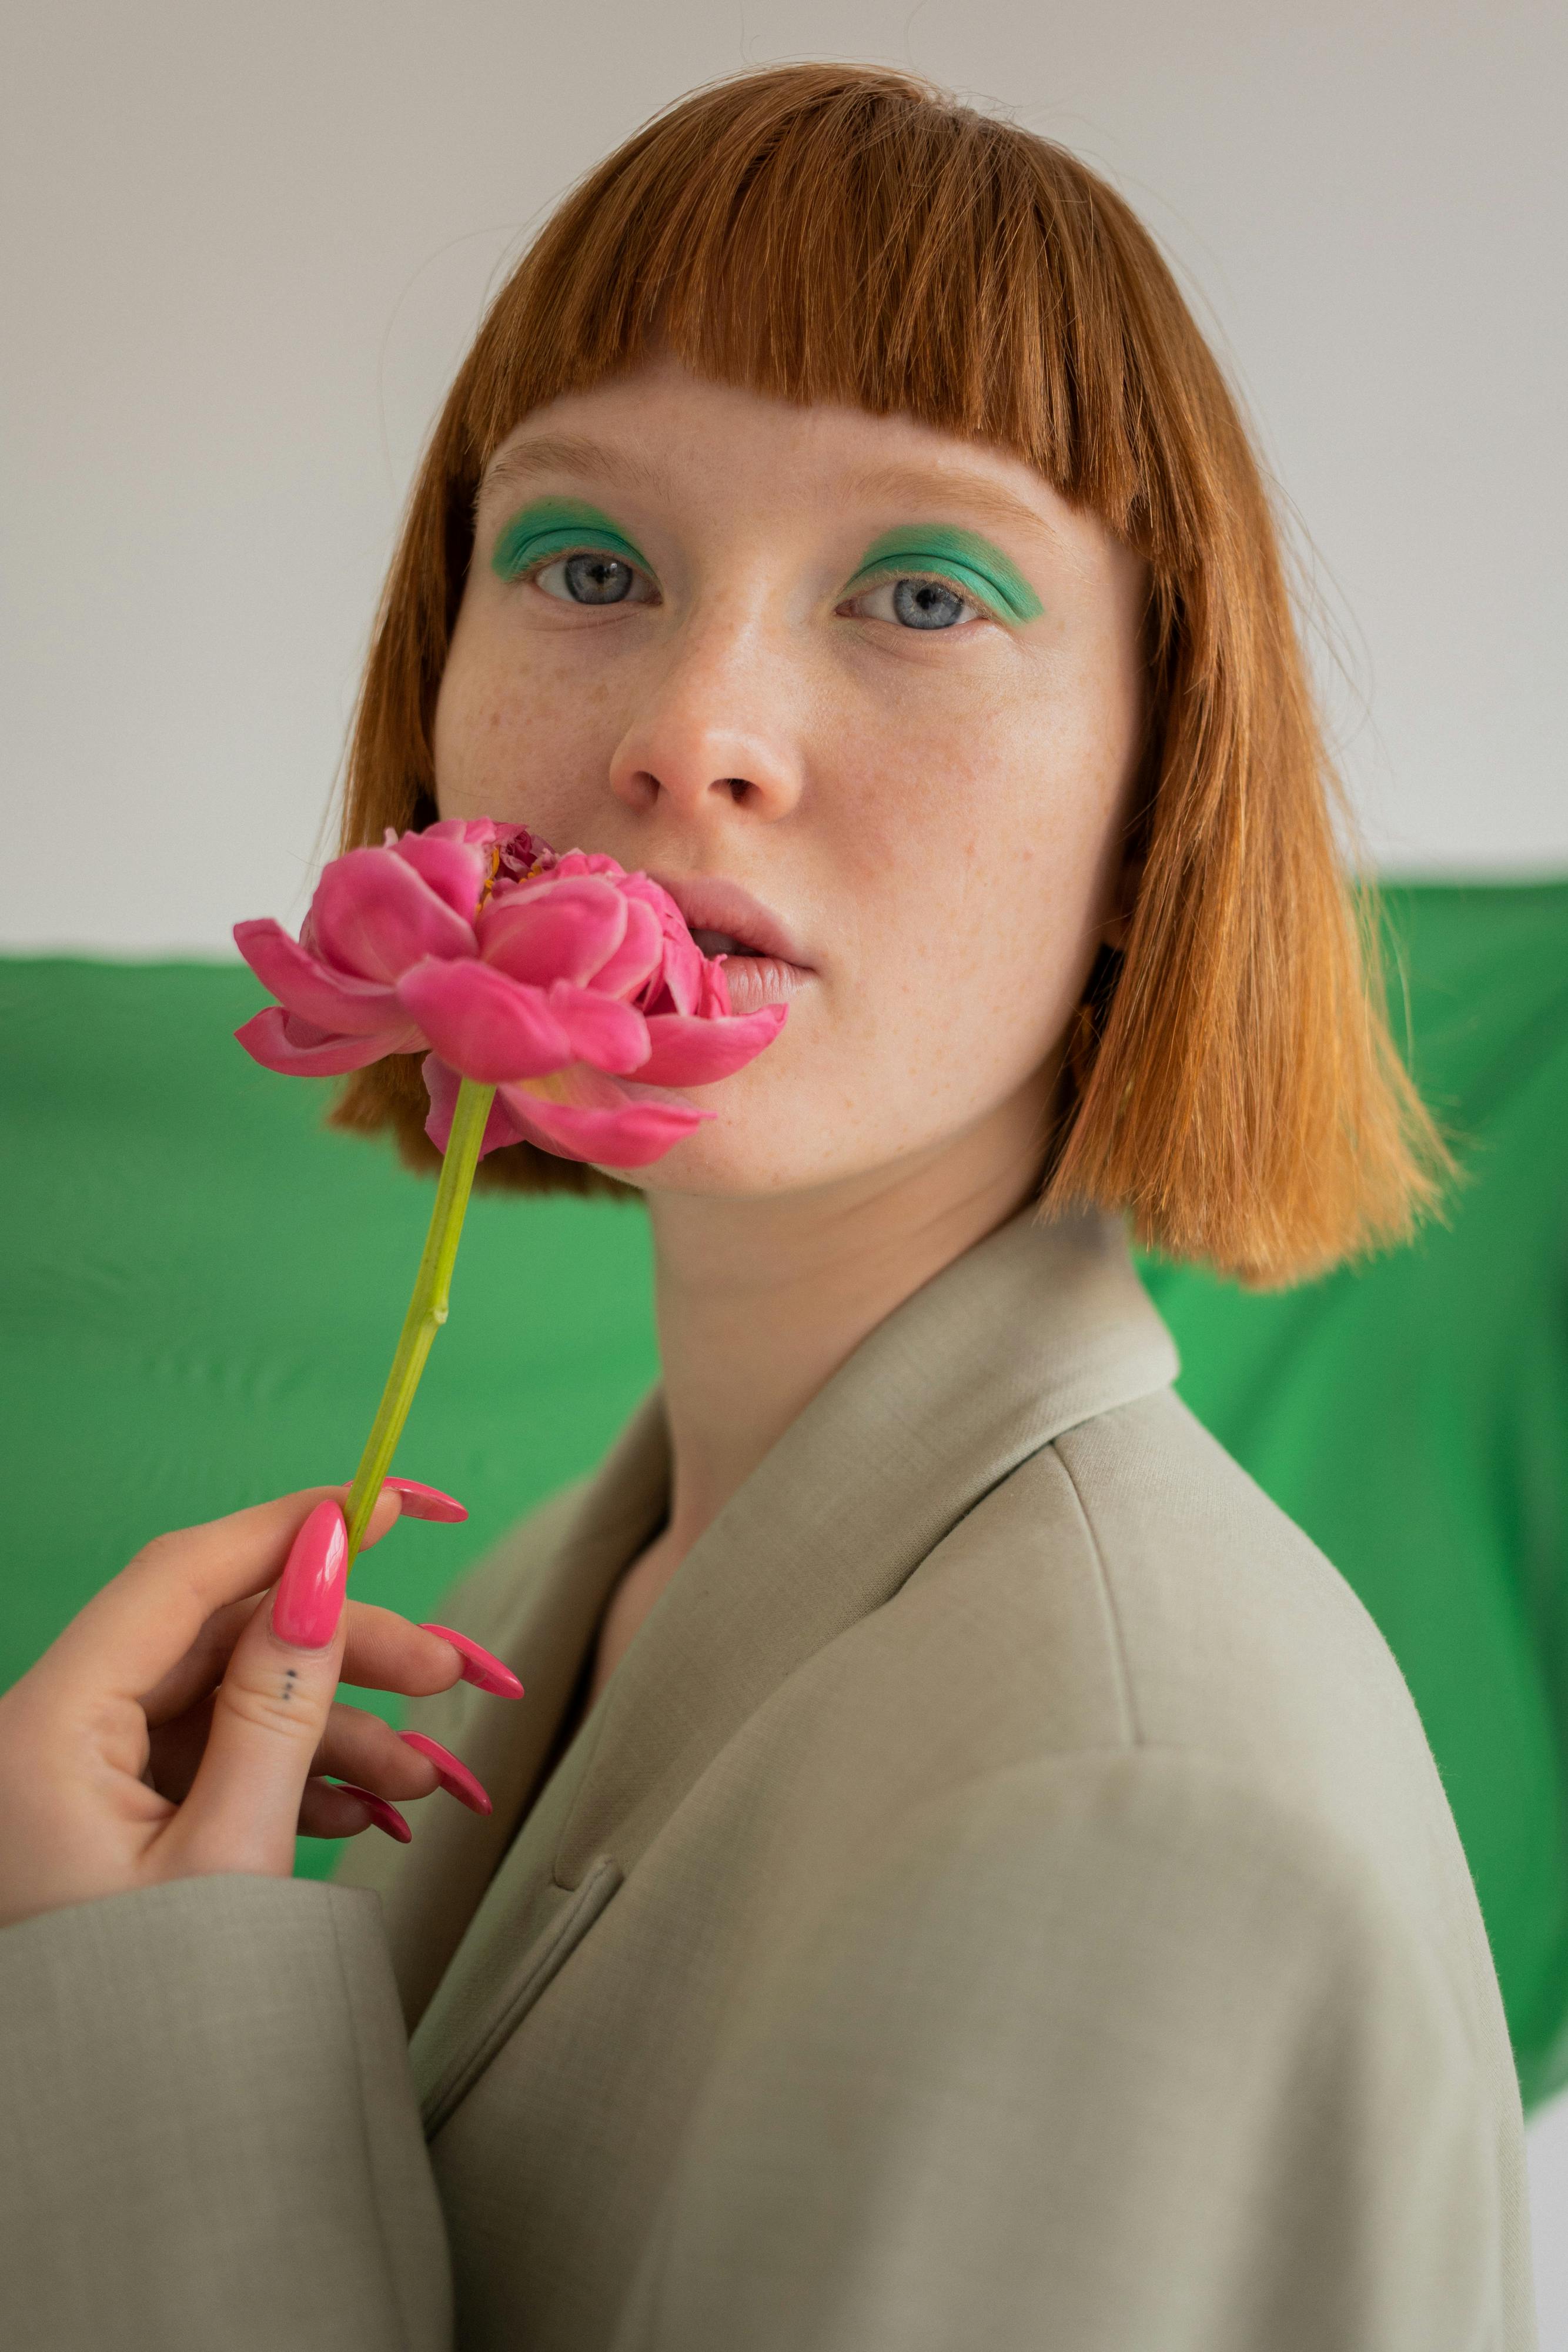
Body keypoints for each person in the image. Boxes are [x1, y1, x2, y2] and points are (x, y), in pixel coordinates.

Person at [0, 61, 1534, 2352]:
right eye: (585, 561)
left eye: (922, 586)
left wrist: (157, 2050)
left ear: (1155, 804)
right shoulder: (569, 1582)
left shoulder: (1137, 1832)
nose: (687, 730)